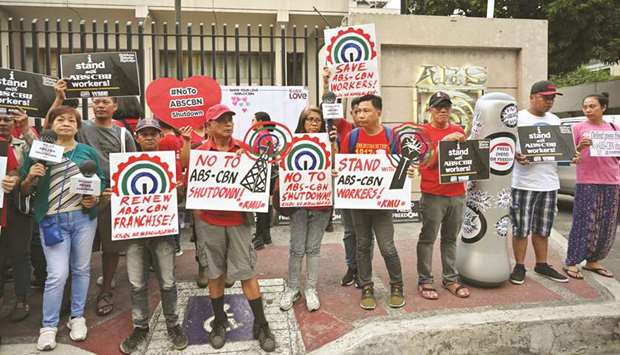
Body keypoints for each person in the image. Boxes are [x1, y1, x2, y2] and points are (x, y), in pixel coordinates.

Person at [193, 104, 276, 352]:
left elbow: (259, 184)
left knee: (246, 272)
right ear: (209, 126)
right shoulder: (200, 153)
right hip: (210, 223)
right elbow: (192, 186)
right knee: (215, 274)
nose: (228, 124)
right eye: (221, 120)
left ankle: (261, 324)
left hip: (239, 221)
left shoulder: (245, 149)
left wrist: (253, 166)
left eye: (230, 119)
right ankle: (219, 321)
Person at [20, 105, 104, 351]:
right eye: (60, 120)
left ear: (78, 127)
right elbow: (24, 189)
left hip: (84, 219)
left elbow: (99, 184)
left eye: (71, 120)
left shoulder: (87, 152)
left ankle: (77, 317)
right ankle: (48, 326)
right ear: (51, 125)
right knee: (57, 274)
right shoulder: (40, 152)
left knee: (81, 269)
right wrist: (30, 177)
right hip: (52, 220)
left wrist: (94, 199)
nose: (66, 123)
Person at [53, 79, 138, 315]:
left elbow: (133, 166)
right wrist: (59, 99)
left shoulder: (124, 135)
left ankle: (106, 290)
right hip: (80, 196)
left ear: (115, 105)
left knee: (111, 247)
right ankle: (68, 295)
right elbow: (52, 132)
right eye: (96, 101)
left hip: (112, 197)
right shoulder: (81, 129)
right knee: (77, 249)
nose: (99, 105)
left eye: (105, 102)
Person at [119, 118, 189, 354]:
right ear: (137, 138)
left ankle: (173, 324)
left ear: (161, 137)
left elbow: (178, 199)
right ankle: (140, 327)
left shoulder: (170, 163)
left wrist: (179, 190)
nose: (149, 137)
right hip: (134, 233)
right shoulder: (124, 163)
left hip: (163, 231)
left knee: (168, 282)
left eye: (153, 133)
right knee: (137, 283)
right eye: (144, 133)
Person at [340, 94, 405, 310]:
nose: (360, 115)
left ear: (378, 112)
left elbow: (401, 166)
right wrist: (337, 171)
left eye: (366, 111)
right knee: (362, 246)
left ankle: (397, 285)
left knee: (387, 247)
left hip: (382, 206)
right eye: (357, 111)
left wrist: (408, 172)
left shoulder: (391, 135)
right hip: (358, 205)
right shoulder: (351, 137)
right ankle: (367, 286)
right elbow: (343, 165)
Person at [510, 80, 569, 285]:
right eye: (545, 97)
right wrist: (516, 155)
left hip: (549, 182)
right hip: (523, 183)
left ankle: (542, 264)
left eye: (552, 98)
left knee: (543, 228)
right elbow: (504, 147)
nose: (549, 101)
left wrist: (573, 154)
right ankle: (519, 266)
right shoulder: (517, 119)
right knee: (520, 227)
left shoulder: (555, 120)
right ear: (532, 96)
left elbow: (562, 151)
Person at [413, 92, 470, 300]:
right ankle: (425, 279)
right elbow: (425, 163)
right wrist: (443, 143)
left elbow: (468, 159)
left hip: (457, 193)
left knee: (450, 239)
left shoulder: (459, 130)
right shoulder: (421, 133)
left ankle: (450, 278)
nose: (443, 110)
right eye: (438, 107)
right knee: (427, 238)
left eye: (446, 106)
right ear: (430, 110)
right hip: (433, 194)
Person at [279, 106, 333, 312]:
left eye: (317, 120)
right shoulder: (291, 144)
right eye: (309, 119)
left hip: (321, 204)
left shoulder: (329, 144)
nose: (313, 123)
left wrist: (334, 169)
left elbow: (336, 164)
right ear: (302, 122)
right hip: (298, 205)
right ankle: (293, 288)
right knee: (296, 248)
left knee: (313, 248)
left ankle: (310, 288)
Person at [563, 93, 619, 279]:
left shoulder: (613, 128)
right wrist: (579, 148)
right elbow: (570, 156)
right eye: (585, 106)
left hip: (612, 181)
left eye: (592, 106)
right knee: (583, 221)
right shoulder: (577, 128)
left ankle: (594, 260)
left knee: (607, 224)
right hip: (586, 181)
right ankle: (572, 261)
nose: (588, 110)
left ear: (603, 107)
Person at [0, 108, 35, 322]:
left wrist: (13, 180)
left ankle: (22, 300)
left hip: (17, 206)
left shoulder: (21, 143)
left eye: (7, 119)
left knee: (20, 254)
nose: (3, 122)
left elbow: (46, 153)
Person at [251, 111, 275, 250]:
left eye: (253, 120)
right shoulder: (265, 135)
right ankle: (265, 235)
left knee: (261, 206)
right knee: (264, 206)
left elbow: (262, 156)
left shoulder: (262, 136)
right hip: (264, 171)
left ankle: (260, 237)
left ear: (260, 121)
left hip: (262, 172)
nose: (251, 123)